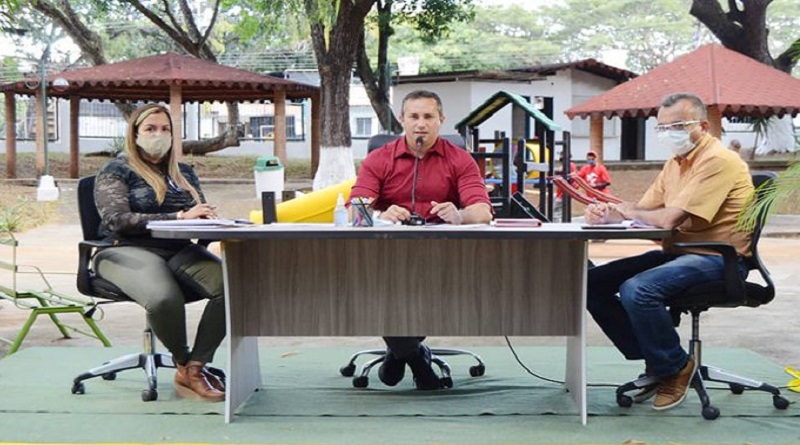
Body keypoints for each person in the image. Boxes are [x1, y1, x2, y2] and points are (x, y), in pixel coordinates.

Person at [584, 92, 753, 411]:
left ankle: (675, 368)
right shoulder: (675, 163)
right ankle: (658, 361)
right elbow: (644, 210)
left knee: (638, 289)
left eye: (678, 126)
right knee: (591, 283)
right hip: (679, 253)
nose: (668, 133)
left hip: (719, 258)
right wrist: (608, 215)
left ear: (703, 126)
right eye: (662, 127)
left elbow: (668, 219)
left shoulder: (718, 160)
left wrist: (631, 212)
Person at [349, 90, 492, 390]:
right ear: (402, 120)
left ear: (441, 120)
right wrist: (381, 214)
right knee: (386, 288)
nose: (421, 124)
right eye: (414, 116)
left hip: (442, 255)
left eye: (428, 116)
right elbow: (355, 211)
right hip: (386, 254)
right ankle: (416, 359)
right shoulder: (378, 158)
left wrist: (459, 215)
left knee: (422, 288)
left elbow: (483, 212)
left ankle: (400, 354)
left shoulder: (460, 159)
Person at [93, 104, 226, 402]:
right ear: (135, 134)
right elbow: (116, 220)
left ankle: (196, 367)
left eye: (165, 129)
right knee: (164, 297)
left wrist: (213, 223)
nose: (159, 135)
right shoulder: (117, 169)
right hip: (124, 250)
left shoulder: (184, 173)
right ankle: (183, 362)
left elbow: (198, 213)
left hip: (179, 250)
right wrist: (178, 217)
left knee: (232, 287)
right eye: (150, 129)